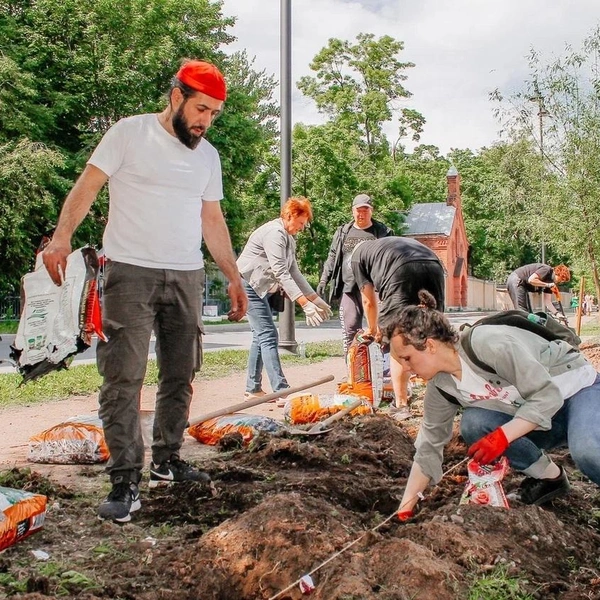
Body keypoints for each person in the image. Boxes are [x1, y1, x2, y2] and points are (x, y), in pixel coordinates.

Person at [42, 60, 247, 523]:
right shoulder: (128, 134)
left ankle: (167, 461)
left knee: (180, 373)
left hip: (187, 275)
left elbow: (211, 219)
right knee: (123, 378)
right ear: (176, 97)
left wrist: (233, 275)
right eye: (200, 109)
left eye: (214, 113)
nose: (205, 121)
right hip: (129, 274)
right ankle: (125, 480)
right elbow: (87, 187)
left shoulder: (207, 156)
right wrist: (61, 237)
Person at [388, 290, 600, 520]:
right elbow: (428, 446)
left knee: (589, 449)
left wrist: (502, 437)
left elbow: (547, 396)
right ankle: (550, 478)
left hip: (578, 393)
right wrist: (406, 505)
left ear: (429, 345)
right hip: (541, 420)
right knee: (474, 424)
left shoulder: (486, 343)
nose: (405, 368)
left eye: (406, 358)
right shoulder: (441, 386)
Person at [237, 197, 332, 403]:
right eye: (299, 223)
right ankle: (281, 391)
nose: (301, 228)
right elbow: (280, 272)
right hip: (246, 284)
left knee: (260, 336)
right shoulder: (275, 234)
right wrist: (304, 304)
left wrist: (315, 299)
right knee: (269, 335)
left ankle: (252, 389)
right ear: (289, 216)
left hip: (257, 286)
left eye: (304, 225)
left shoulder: (289, 238)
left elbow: (294, 272)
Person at [351, 236, 445, 420]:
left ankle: (401, 405)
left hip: (402, 270)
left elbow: (368, 301)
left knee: (399, 341)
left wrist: (372, 329)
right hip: (434, 264)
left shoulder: (356, 258)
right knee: (435, 336)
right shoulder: (382, 246)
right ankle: (444, 399)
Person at [316, 194, 393, 356]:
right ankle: (353, 372)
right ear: (353, 211)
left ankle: (383, 372)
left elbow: (391, 260)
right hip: (348, 288)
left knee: (381, 330)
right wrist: (324, 279)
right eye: (358, 210)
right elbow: (332, 256)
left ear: (371, 211)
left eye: (365, 210)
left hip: (375, 288)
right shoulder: (343, 232)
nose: (361, 214)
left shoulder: (383, 233)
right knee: (350, 330)